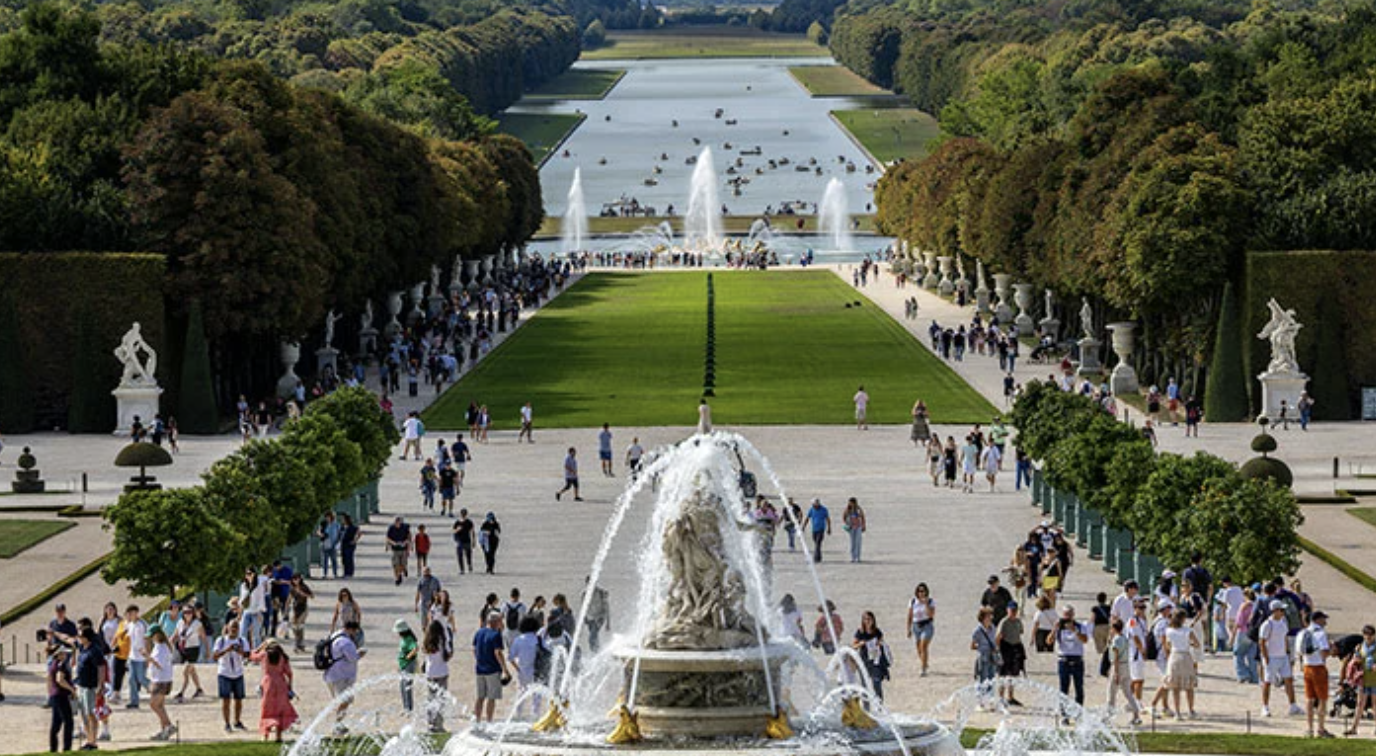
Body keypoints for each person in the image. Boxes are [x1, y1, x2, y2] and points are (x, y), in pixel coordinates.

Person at [1259, 599, 1302, 717]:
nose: (1283, 612)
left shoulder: (1283, 622)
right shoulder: (1267, 624)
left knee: (1288, 680)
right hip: (1271, 657)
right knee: (1267, 682)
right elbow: (1262, 642)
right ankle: (1265, 706)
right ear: (1275, 611)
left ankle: (1293, 705)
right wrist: (1266, 657)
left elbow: (1284, 638)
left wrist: (1287, 653)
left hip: (1283, 656)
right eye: (1281, 610)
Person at [1049, 605, 1090, 724]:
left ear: (1073, 615)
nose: (1068, 617)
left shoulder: (1079, 626)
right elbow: (1049, 641)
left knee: (1079, 688)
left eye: (1070, 614)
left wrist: (1074, 631)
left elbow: (1085, 640)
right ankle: (1064, 715)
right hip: (1064, 659)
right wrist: (1054, 629)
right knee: (1064, 689)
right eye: (1066, 614)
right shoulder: (1059, 628)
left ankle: (1078, 714)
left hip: (1077, 659)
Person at [1296, 610, 1334, 738]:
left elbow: (1299, 652)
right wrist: (1331, 649)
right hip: (1318, 666)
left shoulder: (1302, 633)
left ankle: (1309, 728)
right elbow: (1324, 653)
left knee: (1309, 698)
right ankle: (1321, 729)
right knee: (1322, 699)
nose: (1325, 622)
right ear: (1317, 620)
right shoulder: (1320, 633)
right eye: (1323, 619)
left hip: (1307, 666)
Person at [249, 640, 295, 742]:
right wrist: (290, 687)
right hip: (281, 684)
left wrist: (260, 647)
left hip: (268, 683)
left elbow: (252, 656)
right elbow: (289, 673)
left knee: (267, 709)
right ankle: (278, 736)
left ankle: (265, 735)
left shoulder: (264, 655)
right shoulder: (283, 657)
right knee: (280, 709)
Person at [325, 622, 366, 733]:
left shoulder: (335, 636)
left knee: (341, 700)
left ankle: (339, 724)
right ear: (351, 630)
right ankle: (337, 725)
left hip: (333, 674)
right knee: (344, 700)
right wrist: (360, 654)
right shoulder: (346, 642)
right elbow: (352, 658)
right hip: (341, 675)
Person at [473, 612, 512, 723]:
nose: (502, 623)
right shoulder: (496, 635)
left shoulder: (479, 632)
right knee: (491, 698)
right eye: (500, 620)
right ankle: (489, 721)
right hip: (493, 670)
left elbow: (474, 649)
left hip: (480, 669)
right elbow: (498, 652)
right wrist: (505, 669)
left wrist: (480, 660)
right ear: (496, 622)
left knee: (480, 697)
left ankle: (477, 721)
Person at [212, 620, 250, 733]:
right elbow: (215, 656)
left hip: (238, 672)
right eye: (232, 627)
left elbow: (248, 655)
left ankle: (237, 721)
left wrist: (240, 651)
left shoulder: (242, 641)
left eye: (236, 627)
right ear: (227, 628)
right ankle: (227, 723)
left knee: (239, 699)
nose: (234, 630)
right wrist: (227, 650)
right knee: (226, 700)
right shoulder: (221, 640)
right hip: (224, 672)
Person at [1162, 609, 1200, 720]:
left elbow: (1167, 645)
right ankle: (1191, 710)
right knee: (1189, 687)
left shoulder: (1168, 631)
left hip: (1174, 656)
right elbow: (1197, 644)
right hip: (1186, 655)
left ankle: (1177, 712)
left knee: (1175, 687)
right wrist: (1190, 643)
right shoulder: (1188, 630)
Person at [1106, 618, 1142, 725]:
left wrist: (1116, 672)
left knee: (1111, 692)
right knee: (1128, 692)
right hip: (1126, 666)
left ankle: (1109, 716)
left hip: (1119, 666)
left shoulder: (1116, 640)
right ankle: (1136, 714)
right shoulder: (1124, 638)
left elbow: (1116, 657)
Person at [73, 628, 104, 751]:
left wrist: (100, 685)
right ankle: (88, 739)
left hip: (91, 686)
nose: (78, 638)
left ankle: (93, 741)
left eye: (80, 636)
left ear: (87, 638)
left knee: (91, 713)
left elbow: (101, 668)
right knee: (84, 714)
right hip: (81, 685)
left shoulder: (95, 651)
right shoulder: (82, 649)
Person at [508, 617, 543, 719]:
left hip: (522, 671)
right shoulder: (538, 639)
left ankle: (518, 715)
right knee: (536, 695)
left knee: (520, 694)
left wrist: (517, 668)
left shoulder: (518, 640)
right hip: (536, 670)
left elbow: (510, 657)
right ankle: (535, 716)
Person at [146, 628, 176, 740]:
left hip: (161, 680)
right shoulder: (160, 646)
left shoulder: (162, 648)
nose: (151, 638)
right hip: (160, 679)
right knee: (160, 706)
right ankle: (164, 731)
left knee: (154, 705)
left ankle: (168, 725)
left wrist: (147, 657)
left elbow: (159, 664)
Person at [1346, 624, 1376, 737]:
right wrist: (1356, 660)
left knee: (1375, 704)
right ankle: (1354, 728)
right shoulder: (1360, 647)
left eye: (1371, 635)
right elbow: (1355, 660)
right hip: (1363, 679)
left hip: (1374, 679)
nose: (1369, 637)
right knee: (1360, 704)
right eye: (1366, 635)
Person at [423, 620, 452, 732]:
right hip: (442, 672)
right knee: (441, 699)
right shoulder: (443, 641)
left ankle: (430, 723)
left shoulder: (427, 641)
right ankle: (439, 723)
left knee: (431, 698)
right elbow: (448, 655)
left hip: (430, 672)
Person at [172, 604, 206, 701]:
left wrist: (207, 651)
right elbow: (175, 635)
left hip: (193, 649)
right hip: (183, 649)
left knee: (186, 672)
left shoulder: (197, 624)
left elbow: (203, 637)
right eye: (185, 612)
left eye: (190, 612)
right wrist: (168, 644)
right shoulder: (180, 622)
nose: (188, 614)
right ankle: (199, 689)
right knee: (192, 671)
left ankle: (181, 692)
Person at [995, 602, 1026, 706]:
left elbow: (1021, 633)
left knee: (1013, 674)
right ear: (1007, 610)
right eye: (1011, 610)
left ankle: (1010, 697)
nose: (1013, 612)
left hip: (1015, 648)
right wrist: (998, 650)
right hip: (1006, 648)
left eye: (1015, 610)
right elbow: (998, 636)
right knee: (1003, 674)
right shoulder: (1004, 622)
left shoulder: (1018, 621)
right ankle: (1000, 697)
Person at [854, 611, 890, 700]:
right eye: (865, 619)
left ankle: (879, 706)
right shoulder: (860, 632)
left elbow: (882, 643)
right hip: (864, 660)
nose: (867, 621)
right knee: (864, 685)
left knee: (876, 683)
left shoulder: (877, 631)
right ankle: (867, 707)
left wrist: (879, 643)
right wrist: (861, 643)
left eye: (869, 619)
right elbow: (854, 646)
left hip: (875, 660)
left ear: (873, 620)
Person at [48, 643, 76, 753]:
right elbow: (60, 680)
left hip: (55, 695)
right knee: (68, 722)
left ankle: (53, 748)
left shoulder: (53, 664)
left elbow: (50, 680)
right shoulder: (61, 665)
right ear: (58, 654)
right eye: (63, 653)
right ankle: (66, 747)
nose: (65, 654)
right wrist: (72, 690)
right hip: (61, 695)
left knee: (56, 723)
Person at [122, 605, 149, 709]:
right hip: (132, 656)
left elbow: (147, 640)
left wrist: (147, 655)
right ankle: (134, 701)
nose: (130, 615)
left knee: (141, 678)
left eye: (132, 613)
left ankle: (156, 690)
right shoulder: (130, 625)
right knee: (131, 679)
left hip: (141, 657)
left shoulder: (142, 624)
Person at [971, 607, 999, 699]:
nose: (990, 618)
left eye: (991, 616)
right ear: (982, 618)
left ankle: (991, 699)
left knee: (992, 678)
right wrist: (982, 648)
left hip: (992, 657)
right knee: (983, 679)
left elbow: (995, 640)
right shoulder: (978, 631)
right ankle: (981, 701)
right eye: (988, 616)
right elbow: (972, 646)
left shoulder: (993, 628)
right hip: (983, 657)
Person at [395, 619, 419, 713]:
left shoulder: (409, 639)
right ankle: (405, 707)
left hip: (408, 665)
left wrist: (408, 657)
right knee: (402, 686)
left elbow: (416, 648)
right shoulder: (403, 639)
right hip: (402, 665)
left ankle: (409, 708)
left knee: (407, 686)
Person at [582, 580, 611, 653]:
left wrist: (608, 623)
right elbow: (583, 608)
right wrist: (584, 618)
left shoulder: (601, 593)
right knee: (595, 637)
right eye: (588, 584)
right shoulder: (584, 594)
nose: (589, 585)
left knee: (592, 638)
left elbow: (607, 608)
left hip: (599, 618)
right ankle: (598, 652)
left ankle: (596, 653)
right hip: (590, 619)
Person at [288, 575, 314, 653]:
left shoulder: (304, 587)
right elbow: (289, 598)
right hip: (295, 609)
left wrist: (302, 593)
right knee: (296, 628)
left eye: (297, 579)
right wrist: (286, 609)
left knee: (298, 625)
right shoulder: (292, 588)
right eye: (294, 579)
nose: (295, 581)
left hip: (303, 608)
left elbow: (312, 596)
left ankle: (297, 645)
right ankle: (300, 644)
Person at [386, 516, 412, 586]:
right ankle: (397, 577)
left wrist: (407, 546)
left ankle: (403, 570)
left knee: (403, 564)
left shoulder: (405, 528)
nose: (398, 524)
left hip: (403, 549)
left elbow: (409, 538)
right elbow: (388, 538)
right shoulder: (391, 528)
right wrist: (392, 543)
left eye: (399, 522)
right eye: (396, 522)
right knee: (395, 564)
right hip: (395, 549)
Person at [842, 498, 866, 563]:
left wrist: (863, 525)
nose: (850, 504)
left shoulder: (858, 509)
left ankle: (858, 557)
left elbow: (863, 517)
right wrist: (847, 523)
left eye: (851, 502)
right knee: (852, 543)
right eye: (849, 502)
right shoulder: (847, 509)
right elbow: (843, 516)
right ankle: (853, 557)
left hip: (858, 527)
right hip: (851, 527)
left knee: (858, 542)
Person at [806, 498, 831, 563]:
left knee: (818, 543)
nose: (814, 506)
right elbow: (807, 518)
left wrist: (829, 528)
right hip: (814, 529)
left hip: (821, 529)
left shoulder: (824, 509)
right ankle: (819, 557)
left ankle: (816, 558)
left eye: (815, 504)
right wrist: (803, 526)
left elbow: (828, 519)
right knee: (816, 544)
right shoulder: (811, 509)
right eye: (813, 504)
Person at [317, 513, 341, 579]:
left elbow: (339, 534)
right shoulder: (323, 524)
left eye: (328, 517)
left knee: (334, 560)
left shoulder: (336, 524)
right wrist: (320, 535)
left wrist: (337, 543)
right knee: (325, 560)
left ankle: (335, 573)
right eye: (326, 517)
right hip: (325, 543)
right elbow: (318, 531)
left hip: (333, 544)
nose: (327, 518)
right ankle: (325, 574)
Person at [453, 509, 475, 574]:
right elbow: (453, 531)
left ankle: (469, 565)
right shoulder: (457, 522)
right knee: (459, 556)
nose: (463, 515)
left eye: (464, 514)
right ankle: (462, 569)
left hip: (467, 540)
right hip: (459, 541)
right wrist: (457, 529)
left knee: (468, 555)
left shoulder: (469, 522)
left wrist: (473, 541)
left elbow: (472, 531)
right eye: (462, 514)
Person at [340, 513, 361, 579]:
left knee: (349, 558)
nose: (342, 521)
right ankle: (345, 572)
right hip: (343, 544)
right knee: (344, 559)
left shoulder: (352, 527)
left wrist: (355, 540)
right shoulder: (342, 527)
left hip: (350, 544)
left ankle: (350, 573)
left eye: (343, 519)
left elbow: (359, 533)